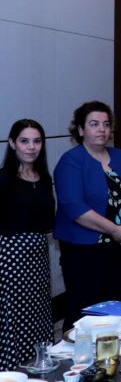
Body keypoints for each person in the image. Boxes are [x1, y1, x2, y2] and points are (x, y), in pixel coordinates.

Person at [54, 101, 121, 330]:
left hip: (118, 248)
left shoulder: (120, 157)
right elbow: (75, 209)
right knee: (83, 312)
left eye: (106, 124)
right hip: (83, 252)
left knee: (113, 309)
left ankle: (109, 349)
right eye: (94, 124)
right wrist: (115, 230)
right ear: (81, 130)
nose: (101, 129)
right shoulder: (71, 161)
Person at [0, 119, 54, 370]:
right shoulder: (3, 179)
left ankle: (38, 365)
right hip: (10, 259)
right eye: (24, 141)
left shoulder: (43, 177)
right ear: (12, 143)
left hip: (39, 257)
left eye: (37, 141)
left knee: (39, 314)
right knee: (13, 318)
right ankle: (11, 369)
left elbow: (47, 221)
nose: (31, 147)